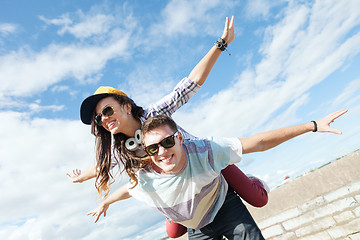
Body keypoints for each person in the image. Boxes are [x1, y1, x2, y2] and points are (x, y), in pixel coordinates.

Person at [67, 16, 268, 238]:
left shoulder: (155, 115)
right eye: (98, 119)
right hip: (180, 192)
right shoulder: (120, 148)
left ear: (125, 106)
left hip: (203, 167)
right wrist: (80, 178)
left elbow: (189, 86)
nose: (103, 119)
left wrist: (221, 44)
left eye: (107, 111)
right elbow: (101, 166)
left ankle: (249, 182)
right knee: (173, 232)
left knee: (257, 198)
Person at [88, 109, 347, 239]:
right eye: (153, 148)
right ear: (146, 149)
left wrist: (311, 126)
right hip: (195, 222)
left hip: (222, 204)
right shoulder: (145, 179)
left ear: (179, 138)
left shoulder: (205, 150)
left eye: (167, 143)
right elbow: (126, 190)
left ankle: (255, 183)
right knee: (172, 231)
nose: (162, 153)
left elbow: (258, 142)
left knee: (253, 200)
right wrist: (105, 201)